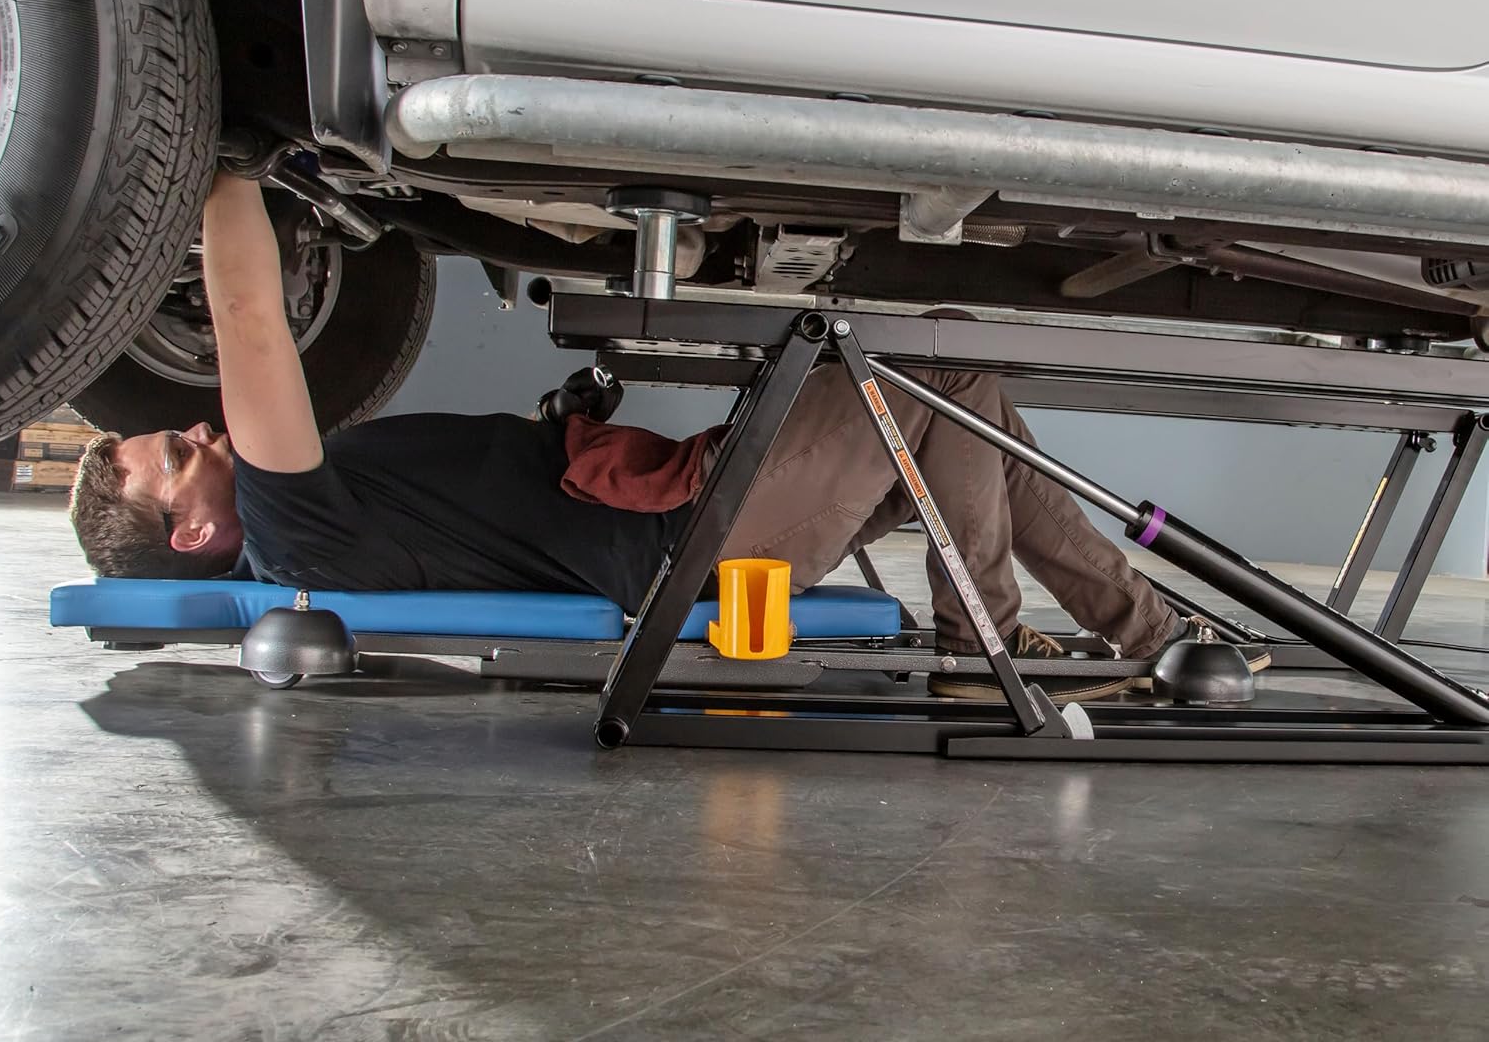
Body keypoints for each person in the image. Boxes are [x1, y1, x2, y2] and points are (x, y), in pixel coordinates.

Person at [71, 171, 1254, 701]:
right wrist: (219, 156)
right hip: (696, 539)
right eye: (170, 457)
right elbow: (249, 322)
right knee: (933, 360)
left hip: (691, 510)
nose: (195, 430)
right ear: (193, 535)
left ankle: (1150, 635)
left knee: (961, 403)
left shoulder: (311, 521)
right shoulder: (289, 531)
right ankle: (984, 647)